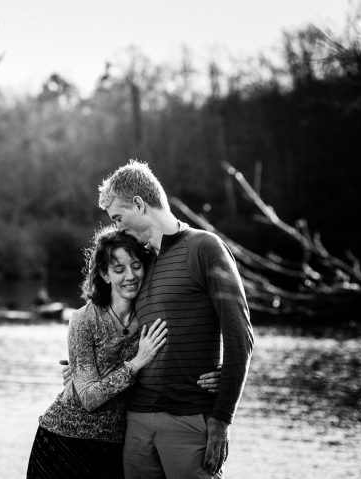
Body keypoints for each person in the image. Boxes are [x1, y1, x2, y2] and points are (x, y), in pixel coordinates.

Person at [99, 160, 255, 478]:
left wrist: (222, 417)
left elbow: (240, 335)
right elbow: (123, 333)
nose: (117, 228)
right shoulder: (138, 264)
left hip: (189, 420)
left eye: (119, 217)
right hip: (137, 421)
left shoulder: (205, 249)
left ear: (140, 204)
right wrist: (87, 363)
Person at [27, 226, 221, 478]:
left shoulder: (150, 320)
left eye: (136, 266)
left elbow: (189, 341)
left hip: (114, 447)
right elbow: (88, 398)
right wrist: (136, 363)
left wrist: (220, 372)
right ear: (105, 275)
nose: (130, 275)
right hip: (63, 441)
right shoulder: (84, 319)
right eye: (119, 269)